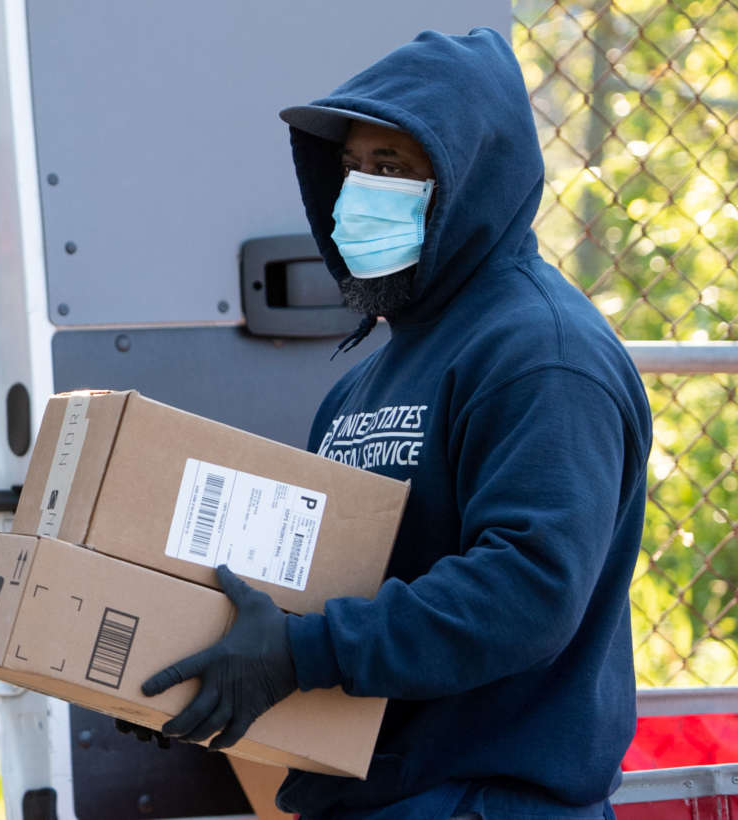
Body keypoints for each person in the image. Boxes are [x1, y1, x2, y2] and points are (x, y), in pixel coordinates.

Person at [139, 26, 653, 820]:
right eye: (351, 166)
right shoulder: (370, 377)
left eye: (393, 169)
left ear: (472, 180)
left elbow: (529, 589)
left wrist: (306, 651)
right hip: (377, 796)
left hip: (485, 801)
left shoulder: (543, 355)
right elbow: (314, 589)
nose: (360, 192)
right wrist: (190, 660)